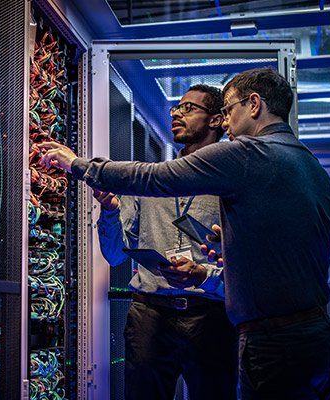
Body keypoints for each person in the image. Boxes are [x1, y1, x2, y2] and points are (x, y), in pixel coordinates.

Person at [39, 68, 330, 399]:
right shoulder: (310, 165)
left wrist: (78, 165)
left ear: (254, 105)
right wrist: (228, 252)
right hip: (309, 333)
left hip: (263, 335)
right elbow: (285, 248)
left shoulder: (249, 155)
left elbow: (155, 179)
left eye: (229, 110)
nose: (227, 123)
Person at [93, 85, 237, 400]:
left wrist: (202, 272)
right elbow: (115, 255)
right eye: (175, 108)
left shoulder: (229, 182)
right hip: (150, 314)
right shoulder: (150, 180)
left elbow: (245, 261)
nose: (176, 114)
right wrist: (109, 211)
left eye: (188, 108)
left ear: (215, 121)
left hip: (210, 315)